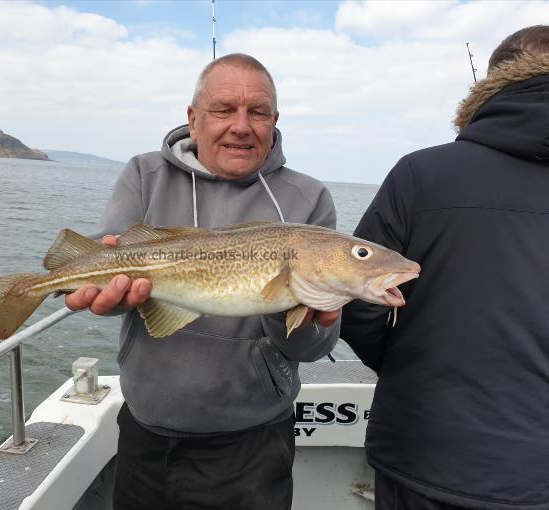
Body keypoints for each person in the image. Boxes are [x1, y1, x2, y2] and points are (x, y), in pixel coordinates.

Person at [66, 53, 341, 510]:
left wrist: (301, 311)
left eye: (258, 112)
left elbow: (313, 348)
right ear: (193, 120)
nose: (241, 125)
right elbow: (108, 277)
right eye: (223, 109)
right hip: (147, 433)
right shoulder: (144, 175)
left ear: (274, 122)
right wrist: (104, 295)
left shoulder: (308, 200)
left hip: (254, 443)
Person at [341, 26, 549, 510]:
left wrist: (410, 365)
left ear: (488, 87)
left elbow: (356, 296)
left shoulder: (421, 173)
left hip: (423, 455)